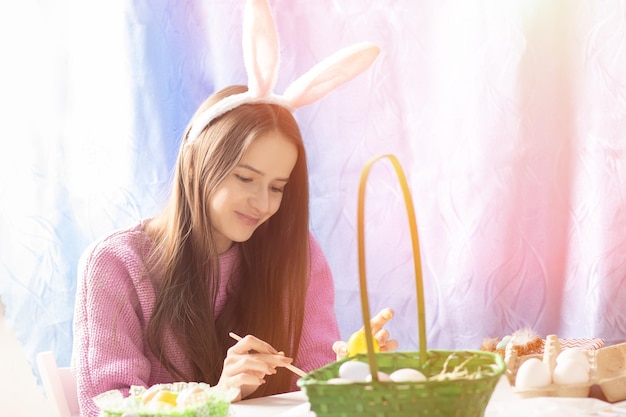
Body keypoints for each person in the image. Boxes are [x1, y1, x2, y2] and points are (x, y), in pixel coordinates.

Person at [71, 84, 398, 417]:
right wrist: (217, 397)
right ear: (195, 162)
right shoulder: (115, 264)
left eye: (276, 187)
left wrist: (349, 371)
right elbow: (105, 408)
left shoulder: (298, 259)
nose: (263, 203)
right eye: (245, 178)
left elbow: (311, 386)